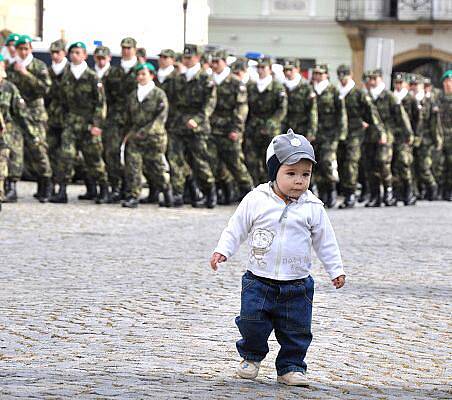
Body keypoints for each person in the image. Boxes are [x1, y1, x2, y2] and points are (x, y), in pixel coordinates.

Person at [210, 129, 345, 386]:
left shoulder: (313, 207)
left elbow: (326, 241)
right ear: (274, 172)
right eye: (291, 173)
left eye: (305, 174)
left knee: (296, 330)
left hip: (297, 284)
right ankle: (251, 356)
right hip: (259, 280)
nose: (299, 181)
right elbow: (236, 227)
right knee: (252, 322)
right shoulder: (256, 200)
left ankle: (291, 367)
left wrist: (335, 269)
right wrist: (223, 250)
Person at [50, 41, 109, 204]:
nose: (74, 55)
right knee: (66, 156)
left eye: (78, 52)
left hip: (88, 123)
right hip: (70, 123)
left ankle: (104, 189)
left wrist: (97, 124)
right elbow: (61, 101)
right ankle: (62, 191)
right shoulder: (66, 75)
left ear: (84, 55)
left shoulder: (92, 77)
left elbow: (100, 103)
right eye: (72, 52)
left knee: (93, 158)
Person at [169, 43, 217, 208]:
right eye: (185, 57)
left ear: (197, 58)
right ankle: (178, 193)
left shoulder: (205, 78)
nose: (187, 60)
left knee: (200, 161)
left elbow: (209, 103)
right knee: (176, 160)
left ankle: (210, 192)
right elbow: (173, 102)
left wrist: (197, 120)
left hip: (198, 127)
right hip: (178, 126)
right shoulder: (178, 77)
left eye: (190, 57)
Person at [6, 34, 53, 202]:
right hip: (16, 115)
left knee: (38, 149)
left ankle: (45, 184)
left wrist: (26, 74)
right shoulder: (11, 68)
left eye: (26, 49)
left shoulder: (39, 66)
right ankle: (11, 186)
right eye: (20, 49)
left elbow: (45, 89)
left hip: (34, 115)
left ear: (31, 49)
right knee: (14, 150)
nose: (23, 52)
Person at [121, 62, 173, 208]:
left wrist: (146, 131)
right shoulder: (133, 95)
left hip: (154, 138)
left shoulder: (159, 94)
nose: (141, 77)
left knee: (156, 167)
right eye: (138, 74)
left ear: (151, 76)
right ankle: (134, 195)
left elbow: (161, 117)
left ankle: (167, 192)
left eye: (144, 74)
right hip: (136, 137)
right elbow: (128, 118)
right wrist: (127, 134)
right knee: (133, 166)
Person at [336, 65, 384, 209]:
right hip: (339, 133)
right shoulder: (336, 93)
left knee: (352, 161)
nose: (342, 79)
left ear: (350, 75)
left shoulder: (358, 93)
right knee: (342, 161)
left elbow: (372, 114)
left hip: (356, 132)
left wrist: (379, 131)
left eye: (345, 75)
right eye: (340, 76)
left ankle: (350, 194)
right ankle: (349, 190)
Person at [208, 49, 253, 204]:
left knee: (235, 163)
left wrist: (236, 129)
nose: (214, 65)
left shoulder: (235, 82)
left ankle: (249, 192)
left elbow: (241, 108)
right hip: (212, 128)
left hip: (229, 129)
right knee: (214, 162)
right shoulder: (209, 80)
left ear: (224, 62)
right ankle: (225, 192)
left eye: (217, 62)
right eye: (212, 61)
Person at [364, 69, 412, 207]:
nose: (372, 81)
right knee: (370, 165)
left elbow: (401, 116)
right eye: (370, 79)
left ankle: (388, 192)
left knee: (383, 162)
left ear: (380, 79)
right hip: (369, 136)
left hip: (387, 135)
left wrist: (408, 134)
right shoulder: (367, 96)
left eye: (375, 78)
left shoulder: (389, 96)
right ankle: (375, 196)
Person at [103, 37, 139, 202]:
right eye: (123, 48)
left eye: (129, 48)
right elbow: (107, 96)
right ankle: (116, 187)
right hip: (116, 118)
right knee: (112, 153)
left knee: (132, 156)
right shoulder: (114, 71)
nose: (126, 51)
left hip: (135, 119)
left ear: (135, 49)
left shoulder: (141, 70)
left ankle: (131, 190)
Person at [245, 56, 287, 186]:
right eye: (259, 67)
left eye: (263, 67)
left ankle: (270, 187)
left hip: (270, 129)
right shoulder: (252, 86)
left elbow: (282, 109)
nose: (261, 70)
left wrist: (271, 123)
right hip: (253, 128)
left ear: (270, 69)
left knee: (268, 160)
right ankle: (254, 187)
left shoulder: (277, 87)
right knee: (251, 159)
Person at [310, 64, 345, 208]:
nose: (317, 76)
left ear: (326, 75)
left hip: (330, 133)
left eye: (321, 74)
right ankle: (322, 192)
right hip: (314, 134)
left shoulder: (333, 90)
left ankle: (331, 190)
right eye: (316, 73)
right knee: (315, 163)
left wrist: (341, 132)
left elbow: (341, 113)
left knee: (327, 161)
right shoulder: (311, 90)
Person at [390, 73, 418, 205]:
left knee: (404, 163)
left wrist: (414, 135)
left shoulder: (410, 99)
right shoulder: (392, 97)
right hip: (393, 136)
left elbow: (417, 119)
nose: (398, 85)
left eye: (400, 83)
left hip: (405, 137)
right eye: (396, 82)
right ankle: (397, 193)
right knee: (394, 165)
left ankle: (409, 192)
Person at [46, 39, 69, 192]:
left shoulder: (71, 71)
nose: (55, 56)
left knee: (66, 154)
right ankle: (50, 185)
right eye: (52, 53)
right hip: (52, 118)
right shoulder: (48, 71)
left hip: (68, 119)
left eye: (58, 52)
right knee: (50, 151)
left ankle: (63, 187)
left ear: (64, 53)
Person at [281, 58, 317, 138]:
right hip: (284, 129)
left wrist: (311, 131)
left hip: (301, 128)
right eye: (285, 70)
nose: (288, 73)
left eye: (290, 70)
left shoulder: (306, 86)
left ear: (297, 69)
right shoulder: (281, 86)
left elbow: (312, 110)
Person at [437, 70, 452, 201]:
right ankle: (440, 190)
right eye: (446, 82)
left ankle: (449, 190)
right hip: (440, 136)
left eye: (450, 82)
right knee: (439, 164)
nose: (448, 84)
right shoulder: (438, 98)